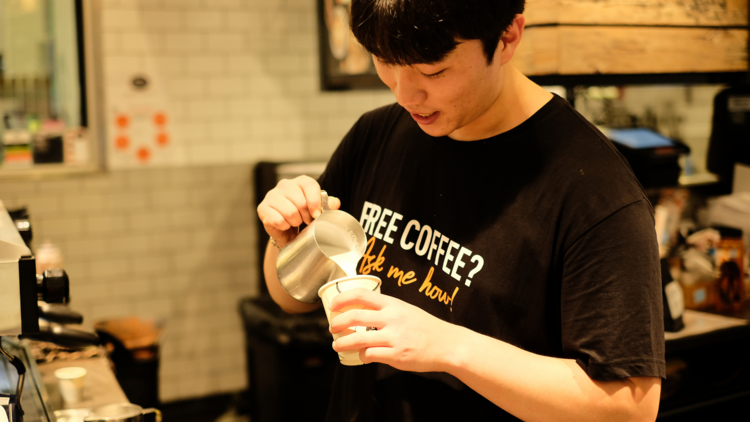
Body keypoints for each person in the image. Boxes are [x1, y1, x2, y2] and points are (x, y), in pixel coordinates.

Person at [257, 1, 665, 421]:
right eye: (385, 62)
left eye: (433, 71)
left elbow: (628, 408)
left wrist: (450, 348)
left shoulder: (593, 190)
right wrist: (287, 239)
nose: (404, 94)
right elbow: (289, 298)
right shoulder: (377, 133)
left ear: (507, 37)